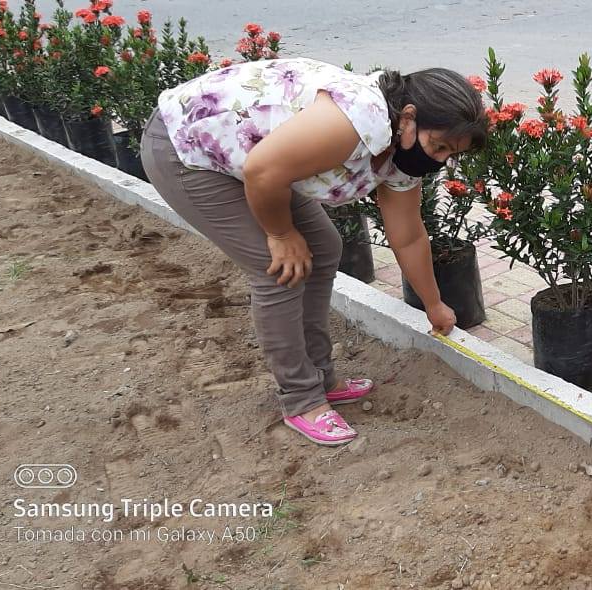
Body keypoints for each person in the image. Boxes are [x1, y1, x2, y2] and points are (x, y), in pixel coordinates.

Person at [141, 58, 486, 447]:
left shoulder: (403, 158)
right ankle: (301, 398)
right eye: (437, 145)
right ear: (408, 117)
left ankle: (322, 377)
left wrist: (433, 304)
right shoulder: (360, 118)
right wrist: (281, 233)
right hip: (187, 149)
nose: (438, 160)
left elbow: (407, 236)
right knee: (278, 268)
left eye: (449, 154)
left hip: (254, 160)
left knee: (322, 248)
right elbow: (263, 172)